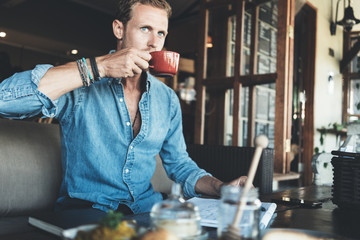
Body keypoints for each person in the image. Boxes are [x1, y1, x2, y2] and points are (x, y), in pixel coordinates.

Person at [0, 0, 247, 214]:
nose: (154, 43)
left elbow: (180, 164)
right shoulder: (81, 83)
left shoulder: (168, 99)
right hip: (88, 211)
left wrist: (220, 187)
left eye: (161, 33)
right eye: (145, 29)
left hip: (147, 210)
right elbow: (4, 100)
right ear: (119, 29)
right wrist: (100, 68)